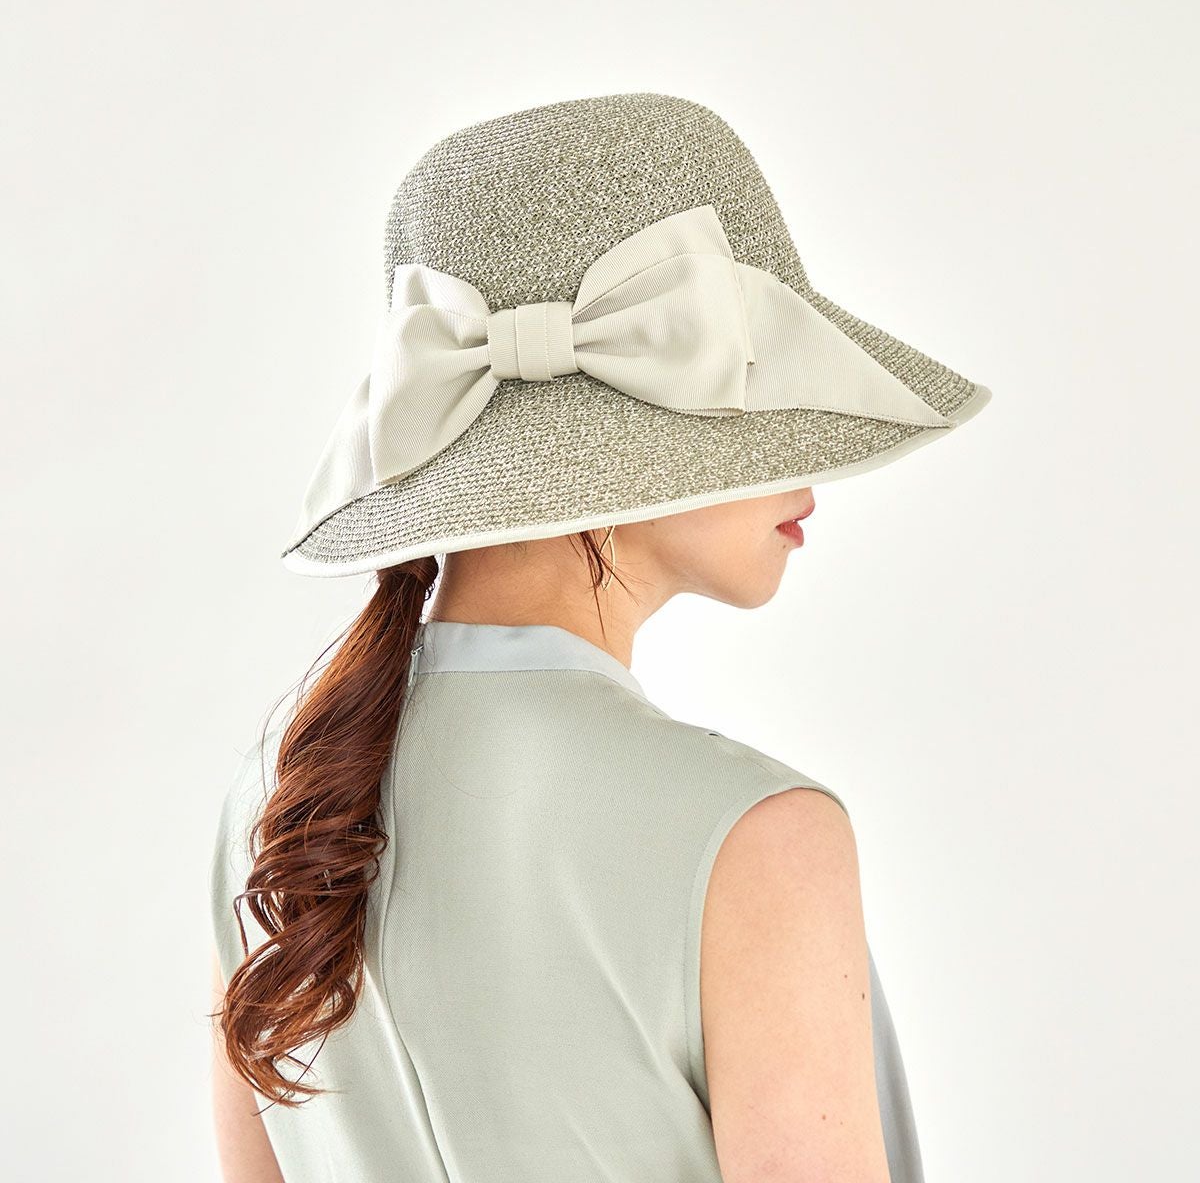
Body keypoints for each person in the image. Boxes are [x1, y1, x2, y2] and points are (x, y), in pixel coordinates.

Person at [208, 91, 991, 1183]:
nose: (810, 468)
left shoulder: (280, 805)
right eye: (758, 381)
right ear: (620, 438)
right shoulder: (757, 835)